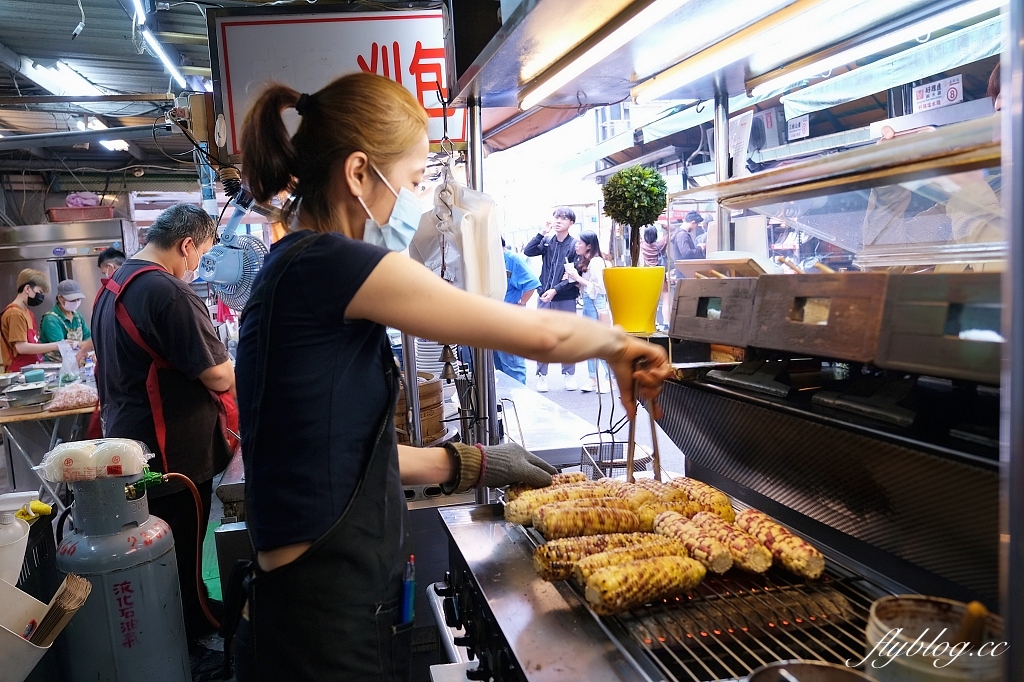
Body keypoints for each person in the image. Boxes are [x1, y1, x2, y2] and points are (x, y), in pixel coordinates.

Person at [228, 73, 671, 682]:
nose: (415, 201)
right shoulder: (330, 263)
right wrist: (619, 344)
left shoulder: (296, 267)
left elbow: (346, 457)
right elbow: (535, 333)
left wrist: (473, 463)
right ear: (358, 174)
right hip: (324, 621)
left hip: (314, 606)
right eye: (413, 181)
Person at [92, 203, 236, 677]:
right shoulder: (166, 290)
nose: (197, 267)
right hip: (173, 453)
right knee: (182, 548)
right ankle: (192, 643)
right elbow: (218, 375)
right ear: (186, 244)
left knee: (164, 548)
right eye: (201, 256)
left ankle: (188, 620)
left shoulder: (114, 284)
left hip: (132, 443)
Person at [523, 206, 580, 391]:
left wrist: (556, 290)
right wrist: (542, 232)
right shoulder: (547, 241)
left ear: (571, 223)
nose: (558, 221)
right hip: (544, 295)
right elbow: (528, 251)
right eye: (556, 217)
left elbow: (574, 277)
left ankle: (569, 374)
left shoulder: (574, 245)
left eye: (563, 218)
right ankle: (541, 375)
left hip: (565, 296)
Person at [562, 231, 611, 393]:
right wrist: (574, 279)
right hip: (589, 304)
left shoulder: (596, 262)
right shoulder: (587, 261)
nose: (576, 246)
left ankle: (608, 378)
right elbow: (587, 286)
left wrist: (577, 278)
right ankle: (593, 378)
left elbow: (598, 289)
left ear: (588, 246)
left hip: (596, 304)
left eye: (579, 243)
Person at [493, 237, 541, 384]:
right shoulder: (493, 261)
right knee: (500, 365)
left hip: (510, 319)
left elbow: (532, 283)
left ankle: (518, 396)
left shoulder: (512, 259)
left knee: (513, 364)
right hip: (494, 319)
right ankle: (508, 395)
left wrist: (521, 303)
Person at [1, 269, 61, 372]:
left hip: (32, 369)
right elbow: (21, 347)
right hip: (19, 373)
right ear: (27, 288)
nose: (41, 297)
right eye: (40, 292)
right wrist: (56, 345)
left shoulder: (28, 313)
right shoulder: (14, 313)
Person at [39, 279, 92, 364]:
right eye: (72, 300)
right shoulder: (51, 319)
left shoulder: (77, 315)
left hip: (77, 361)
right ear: (60, 298)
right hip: (55, 364)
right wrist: (82, 345)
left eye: (78, 299)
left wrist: (77, 344)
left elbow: (89, 339)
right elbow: (62, 348)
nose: (76, 302)